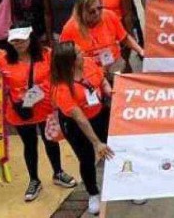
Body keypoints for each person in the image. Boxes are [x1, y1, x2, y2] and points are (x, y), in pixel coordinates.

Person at [0, 27, 77, 202]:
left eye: (23, 40)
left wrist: (37, 93)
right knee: (29, 144)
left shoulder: (47, 54)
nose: (19, 44)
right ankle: (34, 180)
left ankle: (58, 172)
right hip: (19, 111)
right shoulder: (2, 60)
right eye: (15, 41)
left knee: (50, 141)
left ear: (31, 38)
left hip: (45, 107)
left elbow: (55, 77)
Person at [50, 41, 113, 216]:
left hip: (100, 114)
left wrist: (109, 90)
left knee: (116, 150)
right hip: (76, 126)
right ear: (70, 61)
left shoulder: (89, 62)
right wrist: (97, 143)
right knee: (86, 159)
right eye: (78, 52)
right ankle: (93, 193)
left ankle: (124, 186)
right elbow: (80, 118)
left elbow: (101, 79)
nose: (83, 53)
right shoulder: (61, 88)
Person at [59, 0, 144, 78]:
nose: (97, 13)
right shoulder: (69, 29)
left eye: (99, 8)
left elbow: (124, 37)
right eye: (92, 11)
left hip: (114, 64)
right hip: (88, 72)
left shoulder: (109, 15)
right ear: (81, 13)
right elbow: (64, 57)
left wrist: (140, 50)